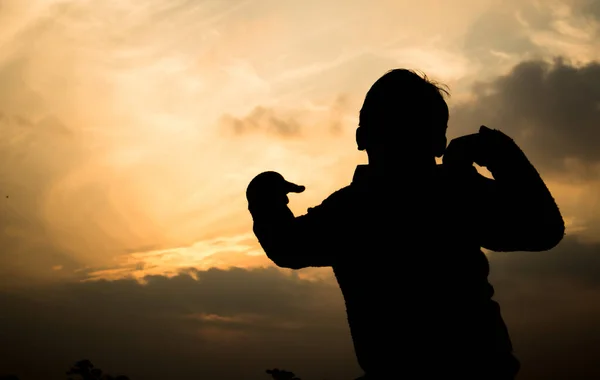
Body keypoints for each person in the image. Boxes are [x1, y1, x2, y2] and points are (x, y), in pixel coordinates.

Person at [246, 69, 565, 379]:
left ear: (361, 137)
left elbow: (285, 246)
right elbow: (543, 228)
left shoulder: (351, 212)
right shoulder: (456, 193)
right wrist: (499, 152)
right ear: (440, 142)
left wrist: (264, 193)